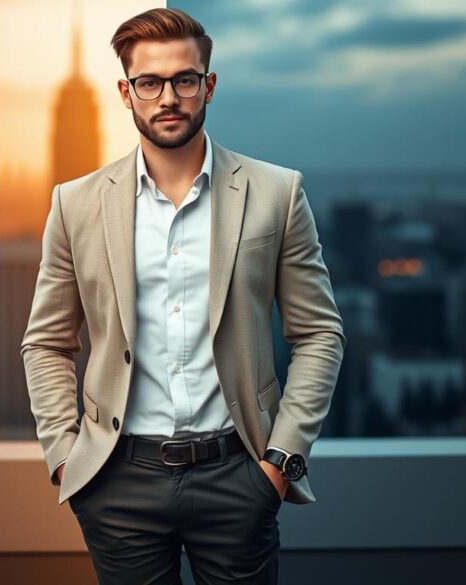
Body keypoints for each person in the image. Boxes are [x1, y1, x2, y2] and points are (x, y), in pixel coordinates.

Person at [21, 7, 346, 584]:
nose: (168, 96)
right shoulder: (77, 204)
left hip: (239, 476)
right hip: (118, 484)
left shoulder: (276, 193)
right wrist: (66, 460)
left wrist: (281, 461)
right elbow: (45, 343)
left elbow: (320, 333)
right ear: (127, 92)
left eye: (184, 80)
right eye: (149, 82)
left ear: (208, 86)